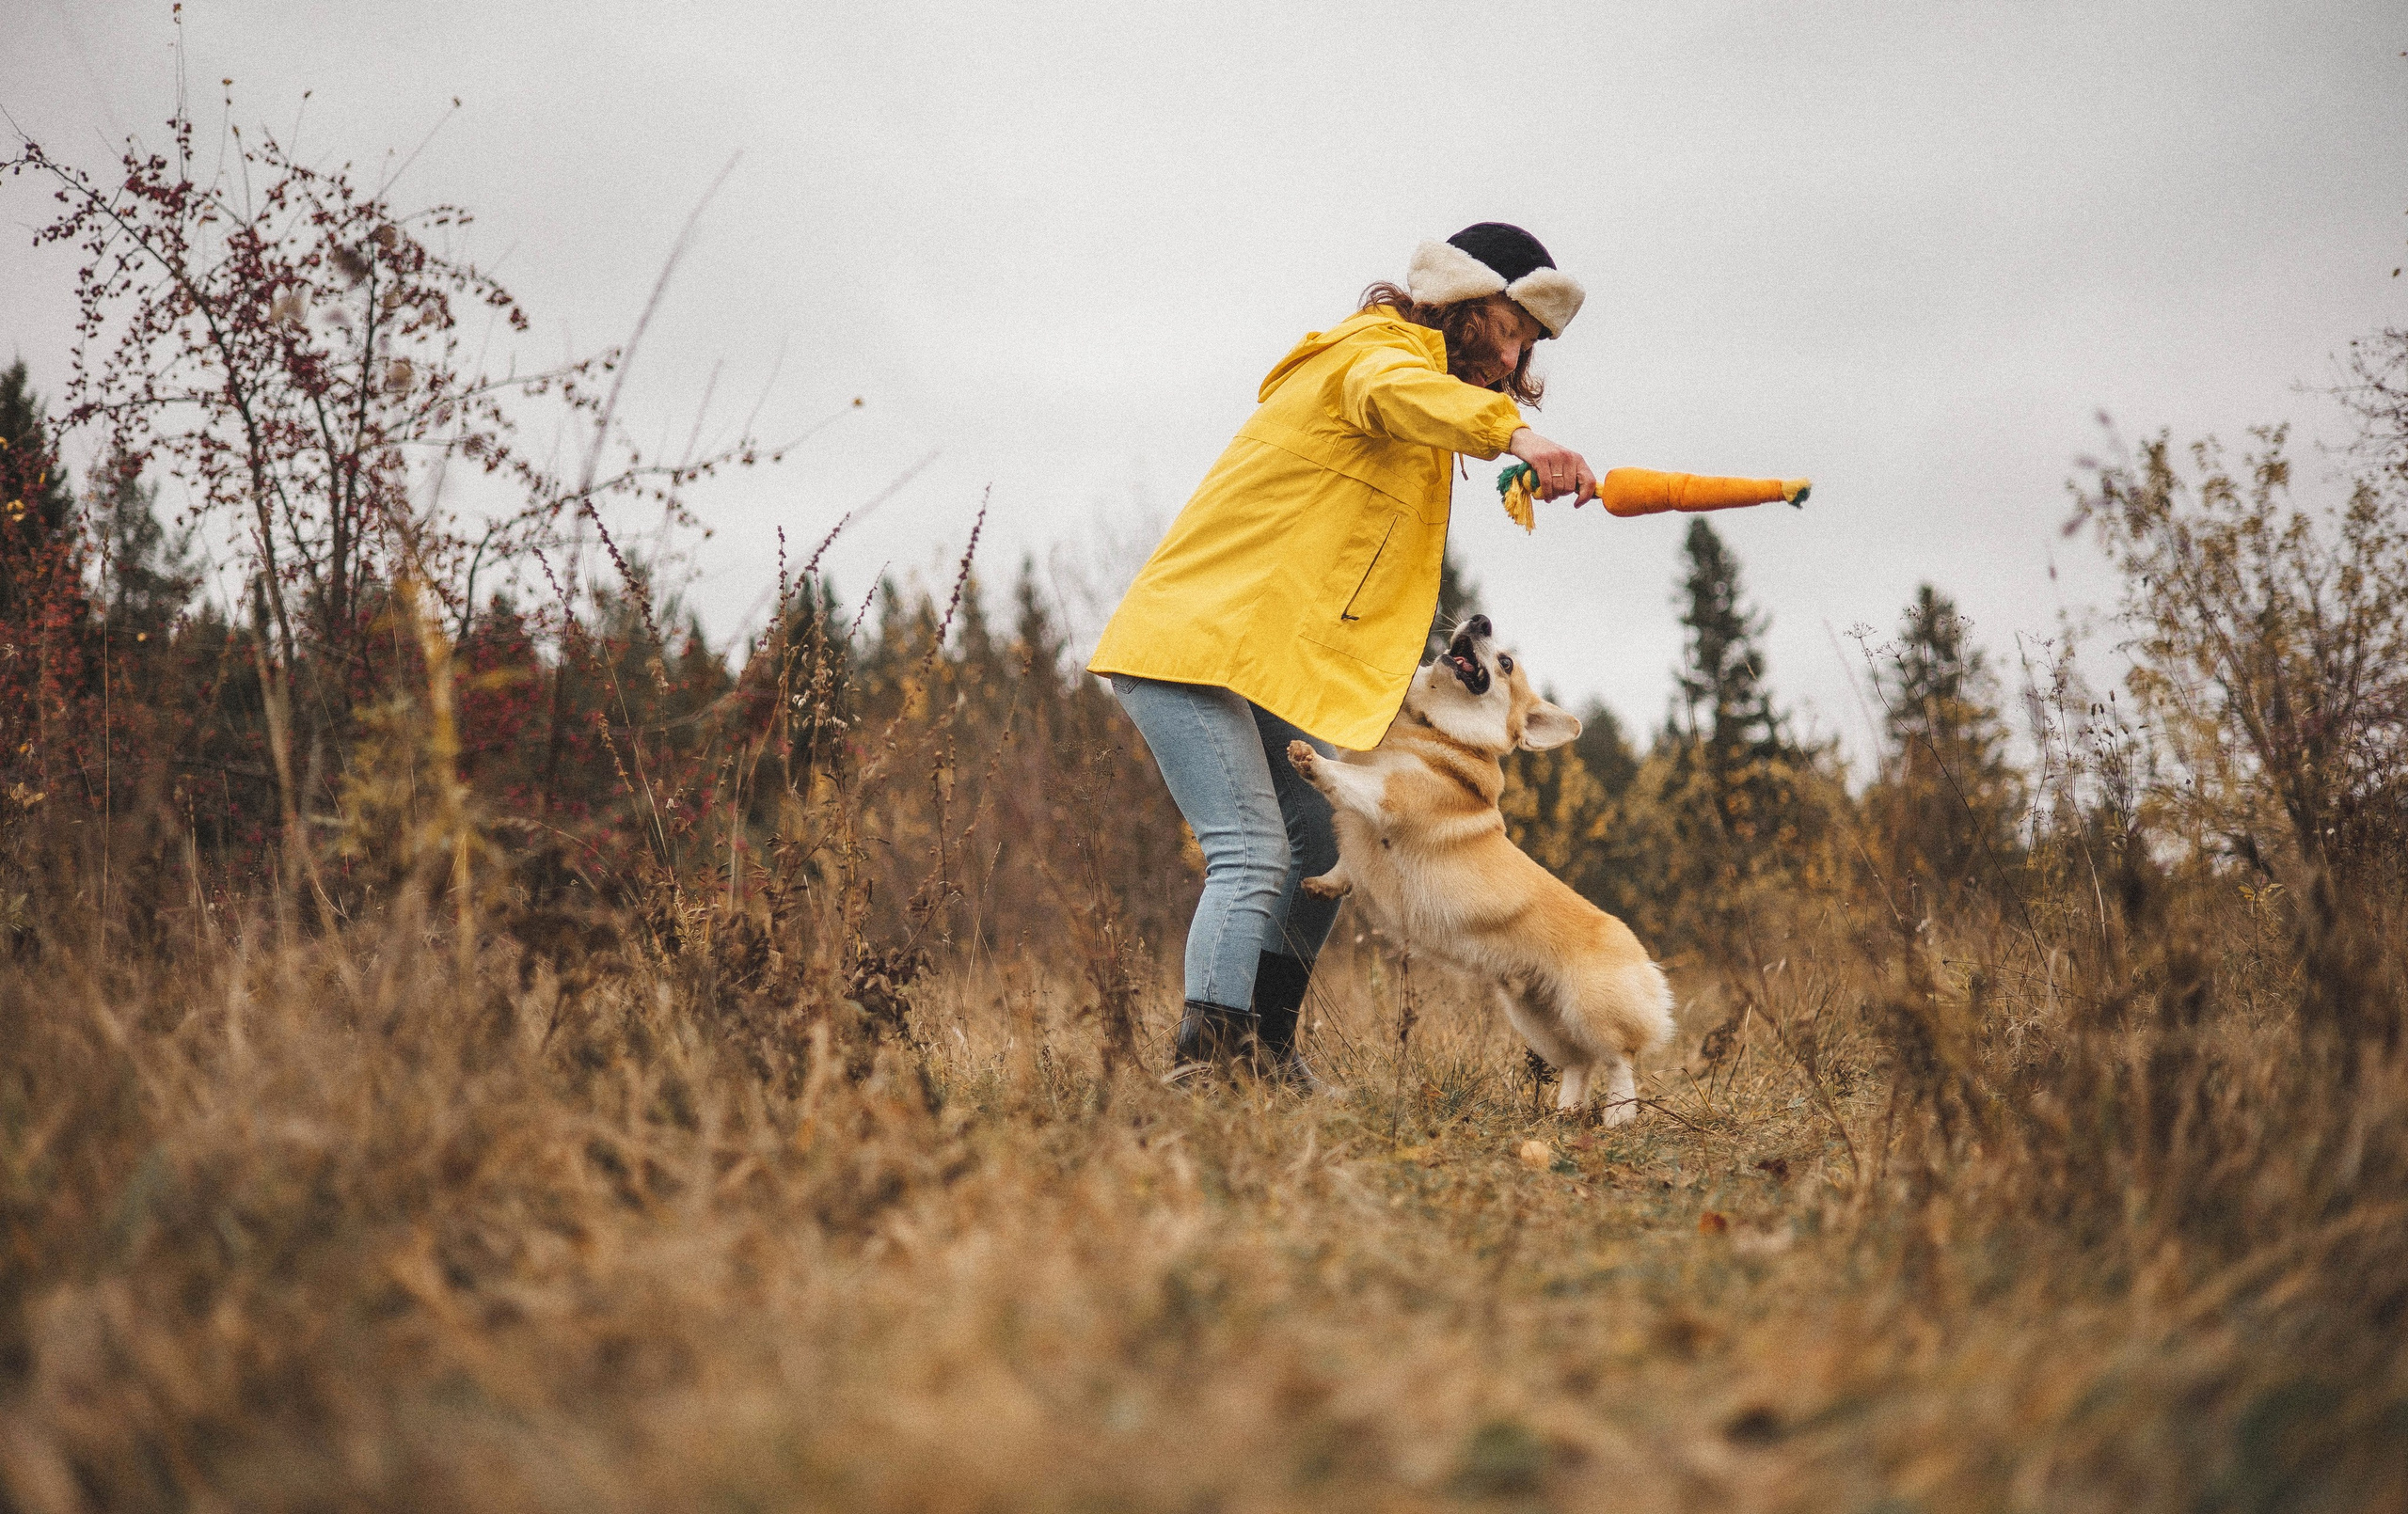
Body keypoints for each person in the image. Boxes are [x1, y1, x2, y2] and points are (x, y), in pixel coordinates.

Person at [1086, 222, 1596, 1085]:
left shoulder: (1420, 412)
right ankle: (1205, 1070)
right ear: (1462, 304)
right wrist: (1518, 437)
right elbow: (1400, 392)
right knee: (1252, 848)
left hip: (1254, 651)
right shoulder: (1373, 356)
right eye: (1511, 332)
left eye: (1528, 348)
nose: (1514, 364)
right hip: (1190, 639)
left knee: (1326, 833)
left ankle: (1264, 1053)